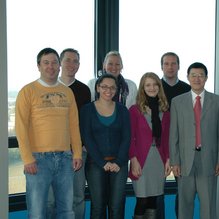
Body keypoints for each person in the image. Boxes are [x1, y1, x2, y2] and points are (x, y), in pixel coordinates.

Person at [15, 47, 83, 218]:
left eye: (54, 62)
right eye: (46, 63)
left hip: (65, 159)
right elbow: (21, 127)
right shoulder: (27, 91)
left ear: (59, 66)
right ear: (38, 66)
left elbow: (74, 125)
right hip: (38, 160)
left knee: (67, 211)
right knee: (37, 212)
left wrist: (77, 154)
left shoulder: (67, 92)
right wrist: (27, 158)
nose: (50, 66)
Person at [169, 62, 219, 219]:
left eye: (200, 75)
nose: (197, 78)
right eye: (193, 75)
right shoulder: (177, 102)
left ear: (206, 78)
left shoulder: (218, 102)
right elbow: (173, 134)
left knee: (208, 205)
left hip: (209, 160)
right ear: (187, 77)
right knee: (184, 205)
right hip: (184, 161)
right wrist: (174, 161)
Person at [46, 48, 91, 219]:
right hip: (51, 152)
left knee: (77, 197)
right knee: (50, 200)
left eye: (76, 61)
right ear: (60, 63)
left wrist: (83, 146)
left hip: (76, 152)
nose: (72, 64)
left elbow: (85, 121)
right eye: (68, 60)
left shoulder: (84, 90)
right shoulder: (48, 88)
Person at [80, 74, 131, 218]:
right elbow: (87, 138)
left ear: (116, 90)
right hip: (95, 164)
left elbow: (126, 138)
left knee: (117, 206)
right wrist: (102, 163)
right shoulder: (87, 110)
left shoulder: (122, 110)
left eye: (112, 87)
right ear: (97, 88)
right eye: (104, 87)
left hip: (119, 165)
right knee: (98, 206)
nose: (108, 90)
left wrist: (119, 162)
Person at [129, 72, 171, 219]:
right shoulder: (135, 110)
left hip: (158, 160)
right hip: (140, 160)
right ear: (142, 88)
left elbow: (166, 139)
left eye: (155, 84)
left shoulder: (165, 111)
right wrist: (133, 160)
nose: (152, 88)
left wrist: (168, 159)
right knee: (142, 200)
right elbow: (130, 138)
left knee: (153, 200)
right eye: (148, 85)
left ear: (159, 87)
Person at [158, 52, 191, 219]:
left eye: (173, 63)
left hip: (182, 146)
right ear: (161, 66)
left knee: (183, 191)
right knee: (157, 192)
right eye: (166, 63)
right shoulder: (154, 88)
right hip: (159, 146)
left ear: (179, 66)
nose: (170, 67)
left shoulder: (187, 89)